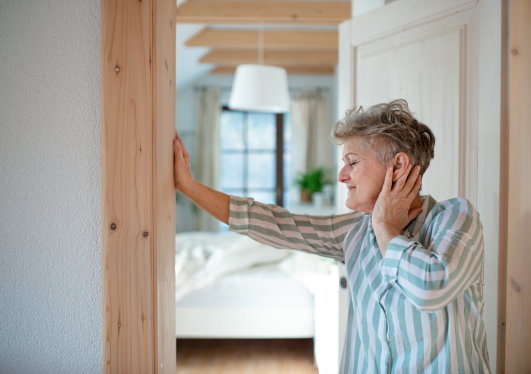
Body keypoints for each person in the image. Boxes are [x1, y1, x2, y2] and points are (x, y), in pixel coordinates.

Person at [173, 99, 490, 374]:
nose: (341, 176)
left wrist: (384, 226)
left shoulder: (456, 218)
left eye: (352, 162)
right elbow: (273, 222)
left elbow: (430, 289)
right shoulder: (354, 231)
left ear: (398, 167)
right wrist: (188, 186)